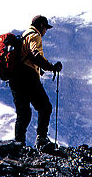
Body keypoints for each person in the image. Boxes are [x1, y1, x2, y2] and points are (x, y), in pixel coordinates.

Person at [10, 15, 63, 146]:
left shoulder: (23, 36)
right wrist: (51, 67)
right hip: (28, 76)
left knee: (23, 113)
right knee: (45, 107)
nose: (45, 32)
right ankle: (42, 139)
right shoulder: (35, 35)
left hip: (15, 78)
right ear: (41, 26)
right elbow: (35, 54)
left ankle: (18, 143)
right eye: (46, 28)